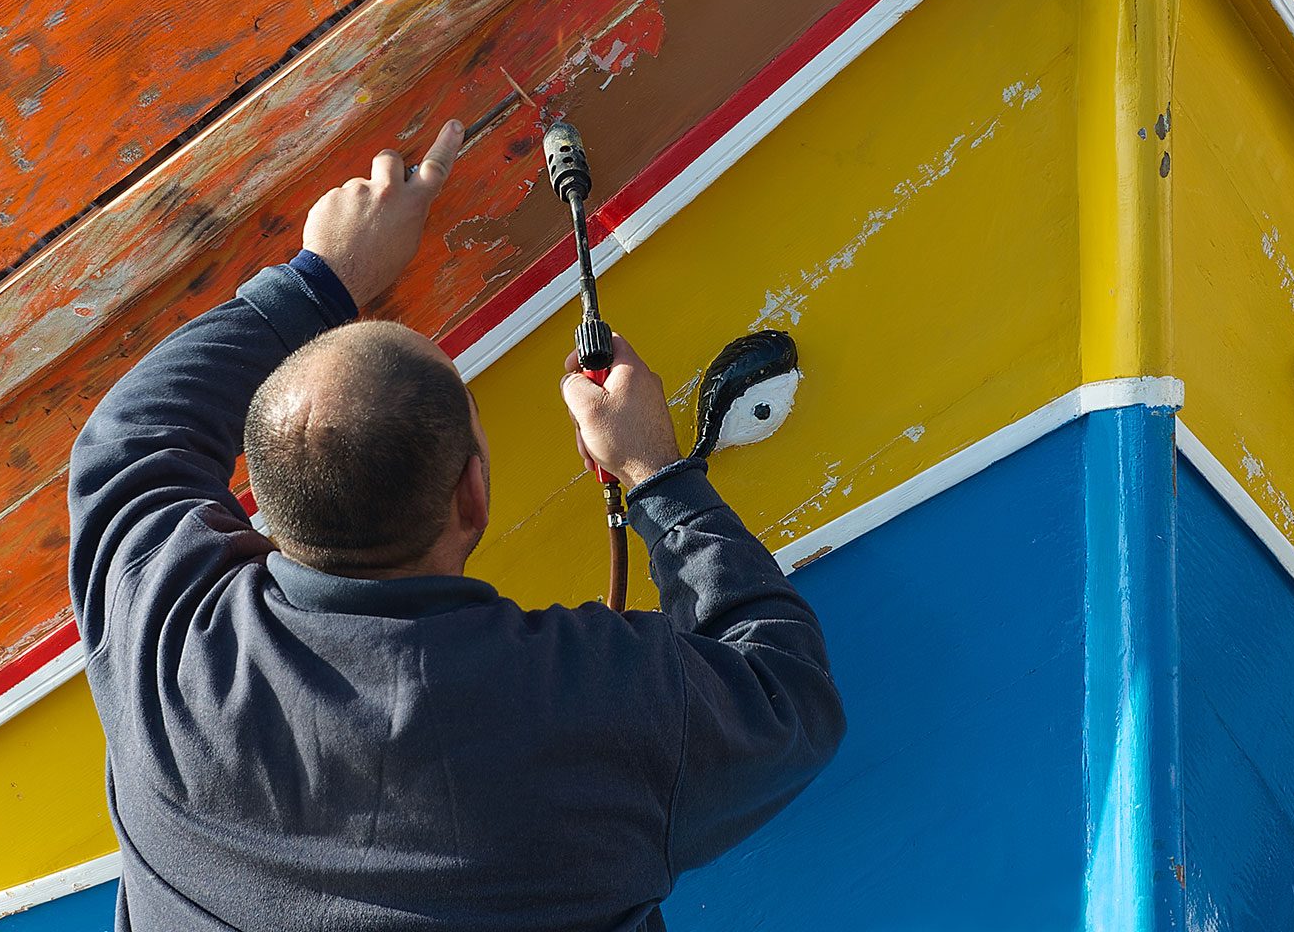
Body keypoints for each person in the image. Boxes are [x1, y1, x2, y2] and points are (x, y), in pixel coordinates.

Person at [66, 119, 845, 931]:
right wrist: (658, 473)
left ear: (259, 494)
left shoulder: (166, 644)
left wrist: (319, 279)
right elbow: (787, 701)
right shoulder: (584, 715)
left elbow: (132, 437)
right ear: (473, 496)